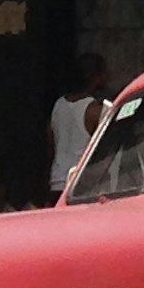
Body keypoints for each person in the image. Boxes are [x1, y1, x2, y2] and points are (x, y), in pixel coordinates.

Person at [46, 54, 111, 198]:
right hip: (81, 185)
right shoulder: (95, 109)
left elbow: (51, 144)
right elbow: (106, 150)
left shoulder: (58, 105)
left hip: (57, 182)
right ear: (95, 77)